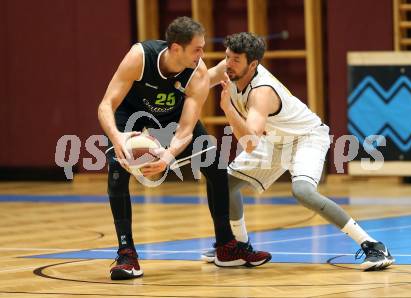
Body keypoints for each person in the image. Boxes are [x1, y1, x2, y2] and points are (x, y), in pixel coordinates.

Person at [203, 32, 395, 271]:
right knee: (226, 184)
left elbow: (250, 142)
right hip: (275, 139)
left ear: (253, 64)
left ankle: (372, 245)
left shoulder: (260, 92)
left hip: (307, 137)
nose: (228, 65)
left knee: (302, 191)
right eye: (227, 57)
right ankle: (240, 246)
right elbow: (201, 81)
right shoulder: (230, 67)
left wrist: (227, 109)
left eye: (235, 60)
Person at [98, 18, 271, 280]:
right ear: (176, 48)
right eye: (197, 49)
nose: (203, 55)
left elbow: (186, 130)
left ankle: (226, 246)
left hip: (173, 117)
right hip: (130, 114)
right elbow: (106, 105)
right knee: (116, 171)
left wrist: (167, 157)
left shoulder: (198, 73)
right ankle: (126, 254)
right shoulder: (140, 56)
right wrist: (118, 138)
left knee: (215, 164)